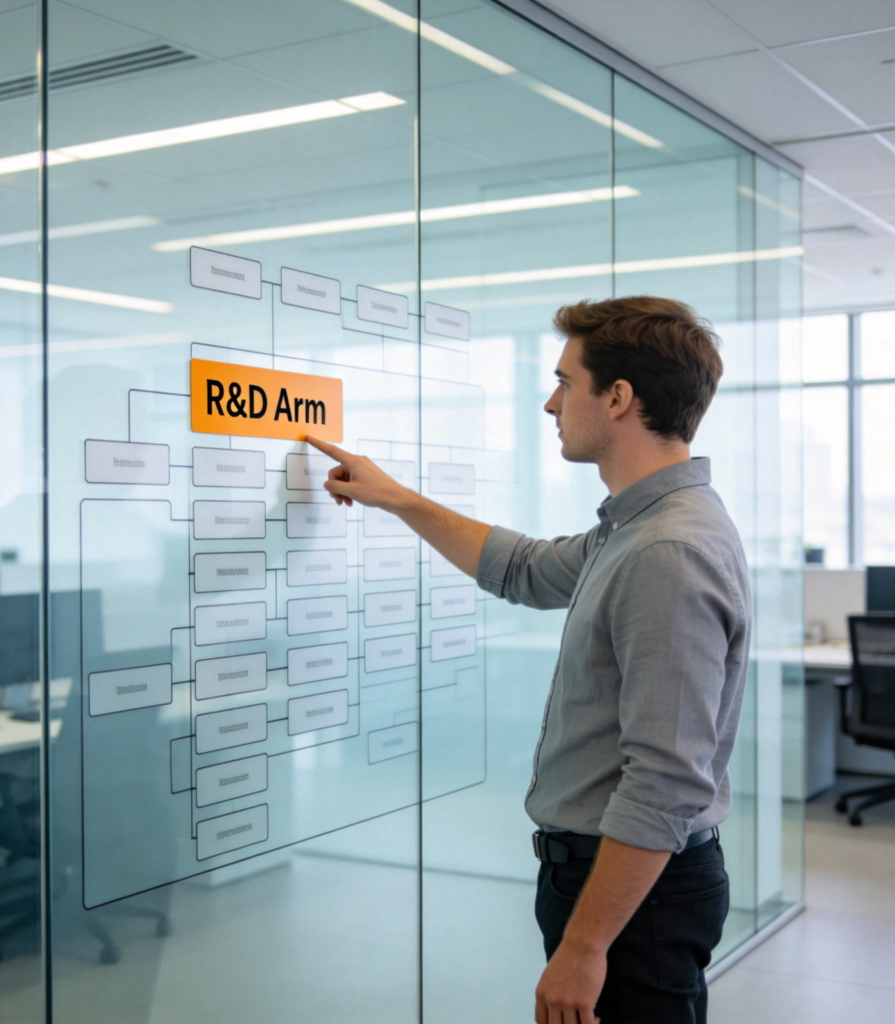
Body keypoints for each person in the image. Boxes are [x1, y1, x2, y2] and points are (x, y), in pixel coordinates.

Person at [306, 295, 751, 1024]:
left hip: (635, 897)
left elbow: (666, 780)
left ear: (618, 398)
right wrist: (394, 498)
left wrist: (585, 945)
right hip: (621, 882)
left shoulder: (665, 550)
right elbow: (526, 568)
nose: (550, 403)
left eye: (564, 382)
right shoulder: (637, 526)